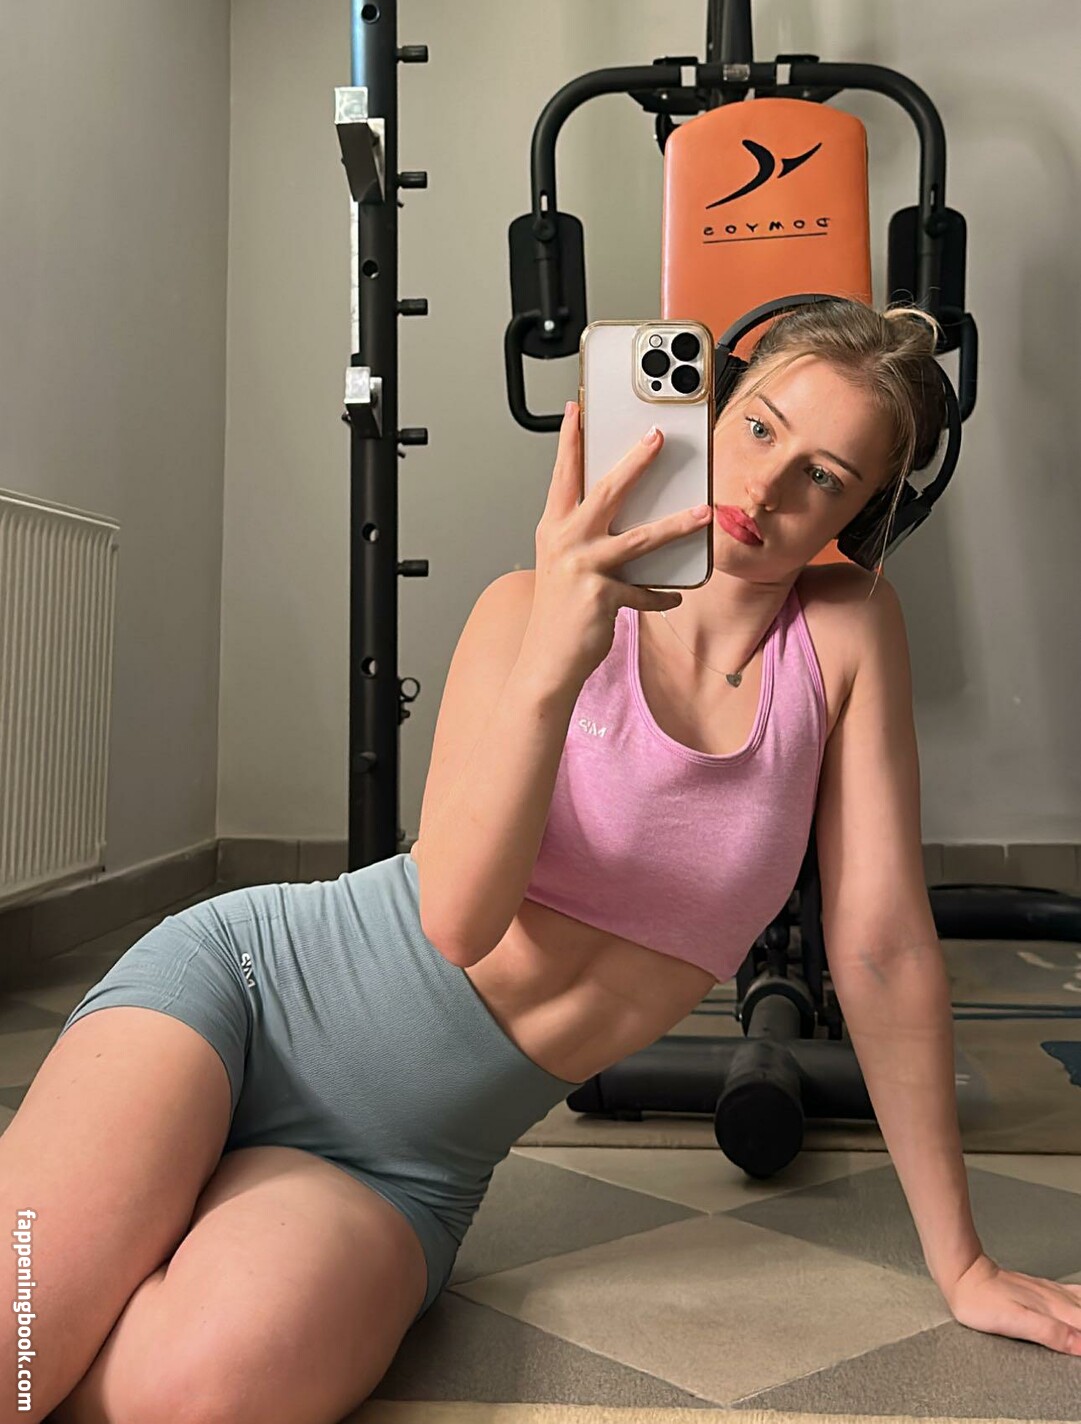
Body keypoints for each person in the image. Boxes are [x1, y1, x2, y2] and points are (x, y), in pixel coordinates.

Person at [2, 298, 1076, 1424]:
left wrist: (962, 1264)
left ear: (865, 513)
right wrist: (559, 654)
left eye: (823, 475)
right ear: (711, 410)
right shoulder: (526, 605)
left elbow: (884, 949)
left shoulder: (846, 634)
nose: (764, 488)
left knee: (190, 1399)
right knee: (19, 1353)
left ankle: (150, 1227)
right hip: (250, 998)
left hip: (404, 1164)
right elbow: (458, 921)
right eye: (759, 427)